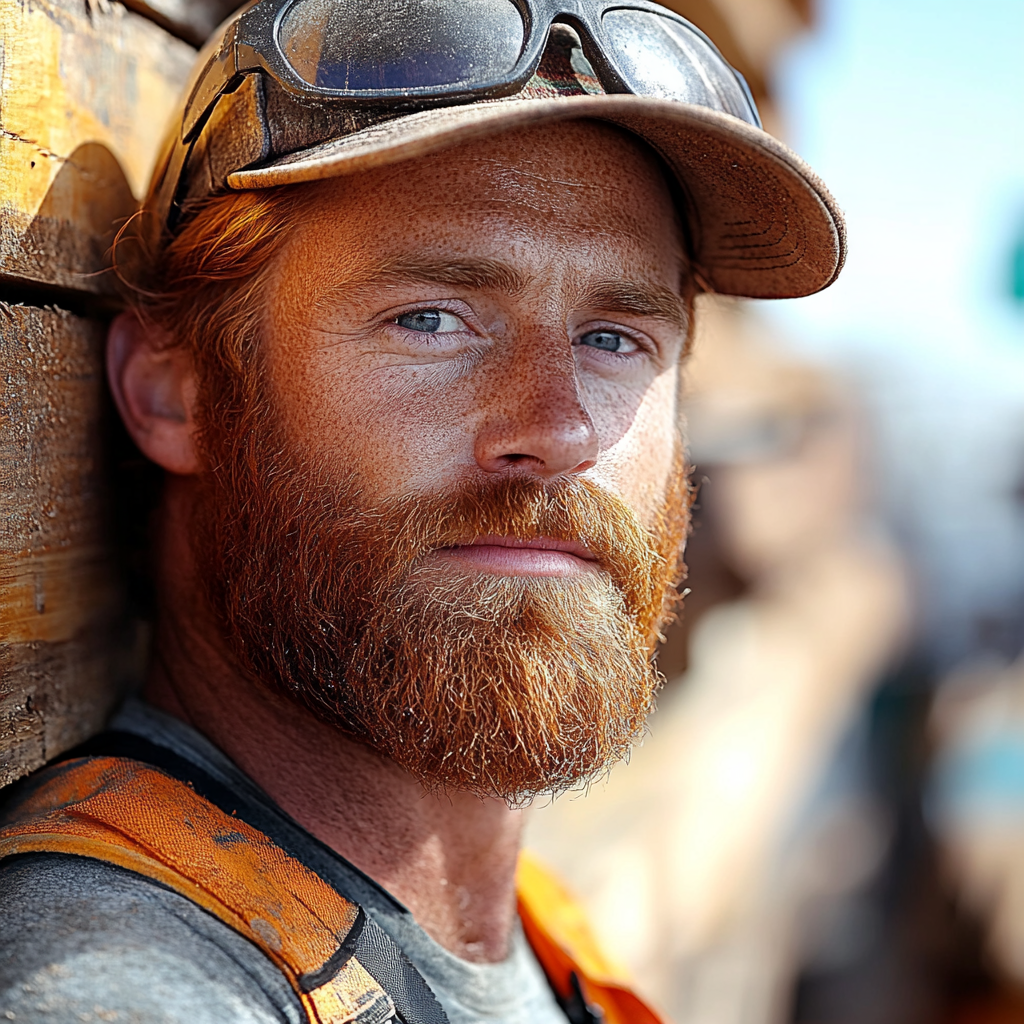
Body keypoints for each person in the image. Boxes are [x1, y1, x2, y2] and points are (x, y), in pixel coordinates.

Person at [0, 3, 844, 1022]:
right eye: (432, 318)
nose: (556, 429)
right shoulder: (124, 981)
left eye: (614, 338)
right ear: (174, 390)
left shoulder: (532, 933)